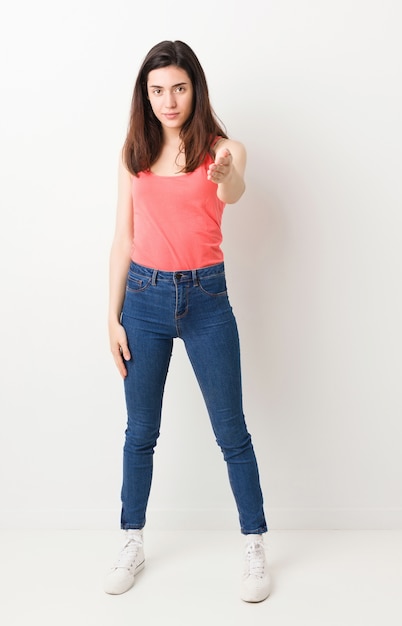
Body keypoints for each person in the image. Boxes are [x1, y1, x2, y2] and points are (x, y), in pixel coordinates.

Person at [104, 40, 271, 603]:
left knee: (232, 432)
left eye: (178, 87)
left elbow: (234, 192)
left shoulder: (225, 150)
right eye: (156, 90)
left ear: (195, 88)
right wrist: (112, 316)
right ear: (144, 95)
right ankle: (131, 540)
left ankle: (253, 545)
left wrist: (224, 174)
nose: (168, 100)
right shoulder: (135, 152)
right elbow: (123, 238)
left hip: (206, 300)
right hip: (144, 302)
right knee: (140, 433)